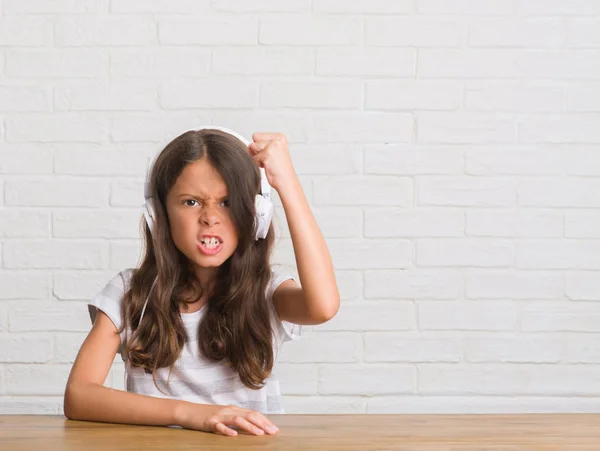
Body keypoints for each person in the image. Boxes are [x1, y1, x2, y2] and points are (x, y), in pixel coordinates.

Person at [63, 127, 340, 437]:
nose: (210, 217)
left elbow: (323, 307)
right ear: (159, 215)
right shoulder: (130, 293)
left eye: (227, 202)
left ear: (257, 215)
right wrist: (193, 414)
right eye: (191, 202)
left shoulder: (267, 291)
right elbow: (79, 396)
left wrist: (287, 184)